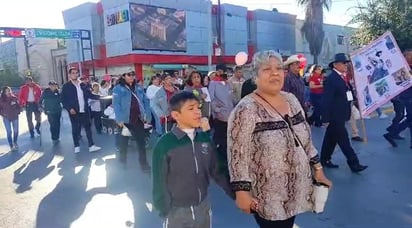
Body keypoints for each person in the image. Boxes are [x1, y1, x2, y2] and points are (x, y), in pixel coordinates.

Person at [227, 50, 332, 228]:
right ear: (255, 76)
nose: (275, 73)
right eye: (267, 69)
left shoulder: (291, 100)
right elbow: (237, 153)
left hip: (297, 188)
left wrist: (318, 168)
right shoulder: (246, 108)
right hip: (267, 195)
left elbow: (305, 137)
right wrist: (241, 191)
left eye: (279, 68)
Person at [152, 91, 234, 228]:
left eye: (198, 107)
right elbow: (159, 181)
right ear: (176, 115)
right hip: (176, 211)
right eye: (191, 109)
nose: (198, 112)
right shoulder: (165, 144)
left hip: (203, 207)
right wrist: (164, 209)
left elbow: (218, 171)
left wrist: (237, 194)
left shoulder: (204, 139)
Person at [320, 53, 368, 172]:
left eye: (346, 63)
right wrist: (325, 118)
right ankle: (354, 164)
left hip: (342, 113)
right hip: (335, 116)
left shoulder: (342, 77)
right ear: (336, 65)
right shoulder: (332, 79)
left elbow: (347, 93)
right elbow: (327, 100)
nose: (346, 65)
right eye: (344, 63)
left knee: (330, 139)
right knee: (344, 141)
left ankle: (324, 159)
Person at [113, 72, 152, 171]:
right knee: (124, 143)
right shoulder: (118, 88)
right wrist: (119, 119)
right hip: (125, 120)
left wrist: (147, 115)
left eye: (133, 75)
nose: (131, 77)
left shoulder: (138, 87)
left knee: (141, 142)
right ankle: (122, 161)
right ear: (123, 76)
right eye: (129, 75)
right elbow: (116, 104)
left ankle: (144, 164)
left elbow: (146, 101)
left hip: (138, 119)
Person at [61, 67, 101, 154]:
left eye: (76, 73)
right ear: (69, 75)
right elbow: (63, 99)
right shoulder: (66, 86)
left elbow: (89, 94)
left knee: (88, 128)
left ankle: (91, 145)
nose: (75, 74)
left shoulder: (83, 84)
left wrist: (98, 97)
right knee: (75, 129)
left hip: (85, 110)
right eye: (73, 73)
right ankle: (76, 146)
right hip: (74, 111)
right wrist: (69, 108)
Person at [384, 49, 412, 148]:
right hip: (407, 97)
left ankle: (392, 133)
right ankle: (391, 133)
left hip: (407, 97)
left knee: (410, 119)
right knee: (409, 118)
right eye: (410, 56)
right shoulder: (400, 69)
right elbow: (400, 84)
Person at [209, 63, 234, 171]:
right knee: (219, 137)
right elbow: (211, 98)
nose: (223, 73)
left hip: (230, 112)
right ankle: (215, 157)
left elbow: (231, 97)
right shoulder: (213, 83)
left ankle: (225, 158)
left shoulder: (228, 83)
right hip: (220, 114)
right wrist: (216, 110)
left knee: (227, 136)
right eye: (221, 71)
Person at [0, 86, 21, 151]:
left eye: (9, 91)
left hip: (15, 116)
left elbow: (18, 106)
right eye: (6, 91)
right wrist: (3, 114)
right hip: (6, 117)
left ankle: (15, 142)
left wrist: (18, 111)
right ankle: (11, 145)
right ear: (4, 92)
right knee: (9, 131)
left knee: (16, 131)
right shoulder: (1, 99)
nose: (8, 92)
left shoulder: (14, 98)